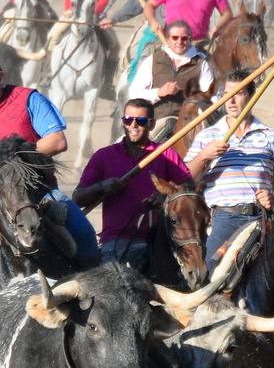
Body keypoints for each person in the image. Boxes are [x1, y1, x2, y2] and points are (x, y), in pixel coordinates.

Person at [0, 56, 99, 367]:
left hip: (37, 191)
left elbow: (57, 140)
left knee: (85, 235)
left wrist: (15, 154)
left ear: (0, 77)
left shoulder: (28, 99)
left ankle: (98, 305)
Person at [184, 68, 274, 276]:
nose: (231, 101)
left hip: (262, 218)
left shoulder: (270, 136)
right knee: (208, 274)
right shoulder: (207, 136)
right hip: (224, 218)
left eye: (237, 94)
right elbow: (184, 179)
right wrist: (203, 156)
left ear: (251, 97)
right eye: (227, 95)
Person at [72, 97, 193, 272]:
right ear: (123, 123)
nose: (133, 125)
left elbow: (188, 188)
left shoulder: (165, 153)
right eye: (128, 120)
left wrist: (165, 194)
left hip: (160, 239)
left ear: (151, 124)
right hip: (116, 239)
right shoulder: (103, 156)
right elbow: (77, 198)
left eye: (140, 121)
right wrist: (102, 186)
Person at [129, 19, 215, 140]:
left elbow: (212, 96)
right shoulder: (153, 60)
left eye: (184, 38)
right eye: (175, 38)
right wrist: (159, 92)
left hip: (188, 123)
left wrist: (197, 98)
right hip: (156, 120)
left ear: (190, 39)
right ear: (167, 38)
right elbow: (133, 93)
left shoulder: (201, 64)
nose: (179, 42)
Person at [64, 0, 119, 96]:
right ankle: (48, 73)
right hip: (74, 13)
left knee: (114, 45)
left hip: (96, 14)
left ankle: (107, 84)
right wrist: (68, 9)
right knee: (53, 35)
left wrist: (94, 13)